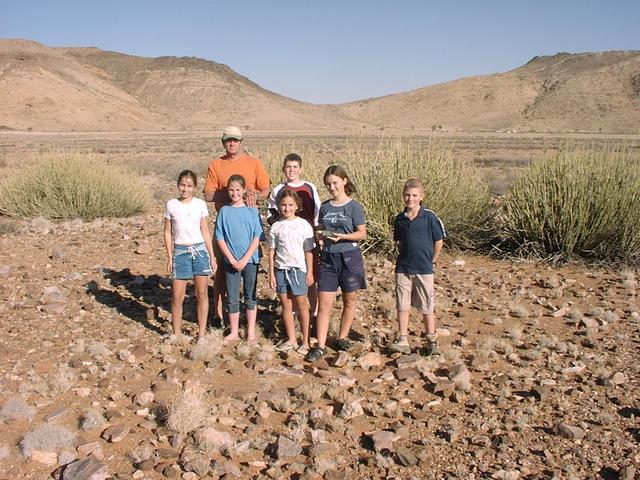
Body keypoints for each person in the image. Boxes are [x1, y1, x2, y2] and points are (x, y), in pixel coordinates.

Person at [203, 126, 271, 324]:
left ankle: (248, 312)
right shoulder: (216, 164)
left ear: (241, 142)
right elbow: (208, 194)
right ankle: (218, 313)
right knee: (222, 269)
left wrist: (254, 195)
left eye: (235, 140)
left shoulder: (253, 163)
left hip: (249, 222)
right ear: (223, 142)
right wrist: (235, 195)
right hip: (225, 222)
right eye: (228, 140)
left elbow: (266, 188)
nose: (232, 143)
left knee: (250, 265)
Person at [305, 165, 367, 362]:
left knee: (349, 300)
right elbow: (321, 228)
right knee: (325, 303)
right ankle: (321, 345)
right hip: (328, 258)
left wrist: (344, 237)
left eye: (335, 183)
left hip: (350, 256)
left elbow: (362, 233)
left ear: (344, 181)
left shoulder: (354, 207)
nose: (332, 187)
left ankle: (342, 337)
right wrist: (320, 236)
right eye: (328, 184)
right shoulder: (325, 207)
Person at [388, 178, 446, 356]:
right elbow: (398, 241)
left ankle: (431, 340)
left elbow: (439, 241)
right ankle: (403, 338)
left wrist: (433, 259)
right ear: (402, 196)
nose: (410, 199)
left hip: (424, 269)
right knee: (402, 305)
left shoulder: (430, 217)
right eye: (407, 195)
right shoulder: (399, 219)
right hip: (403, 268)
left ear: (421, 196)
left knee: (427, 306)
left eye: (414, 195)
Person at [163, 170, 216, 342]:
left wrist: (212, 255)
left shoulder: (200, 205)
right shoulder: (171, 204)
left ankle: (201, 333)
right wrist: (170, 257)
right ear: (178, 185)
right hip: (180, 251)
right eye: (182, 185)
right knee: (177, 296)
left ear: (194, 187)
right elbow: (167, 232)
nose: (185, 189)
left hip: (199, 251)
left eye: (189, 186)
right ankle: (176, 333)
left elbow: (205, 231)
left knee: (201, 293)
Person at [267, 152, 322, 318]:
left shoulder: (309, 187)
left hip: (307, 240)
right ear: (283, 169)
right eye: (288, 167)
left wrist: (318, 235)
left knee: (310, 275)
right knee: (287, 273)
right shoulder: (278, 190)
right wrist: (283, 226)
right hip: (286, 242)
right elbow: (271, 214)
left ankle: (314, 312)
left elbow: (317, 212)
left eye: (295, 167)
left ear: (301, 169)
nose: (292, 170)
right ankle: (294, 311)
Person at [214, 174, 263, 345]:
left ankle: (250, 332)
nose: (234, 193)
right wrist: (231, 258)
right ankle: (234, 331)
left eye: (238, 190)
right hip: (230, 262)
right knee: (232, 297)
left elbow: (257, 236)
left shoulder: (252, 210)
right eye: (231, 190)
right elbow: (220, 237)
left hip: (250, 260)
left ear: (244, 191)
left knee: (250, 296)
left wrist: (245, 258)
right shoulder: (224, 212)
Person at [268, 190, 315, 355]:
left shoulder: (304, 225)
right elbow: (272, 251)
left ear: (297, 206)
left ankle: (306, 341)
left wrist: (310, 272)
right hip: (281, 269)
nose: (287, 208)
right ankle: (292, 338)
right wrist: (271, 273)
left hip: (298, 269)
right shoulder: (276, 226)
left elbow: (309, 251)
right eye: (283, 205)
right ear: (279, 206)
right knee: (286, 304)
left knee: (302, 305)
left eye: (290, 205)